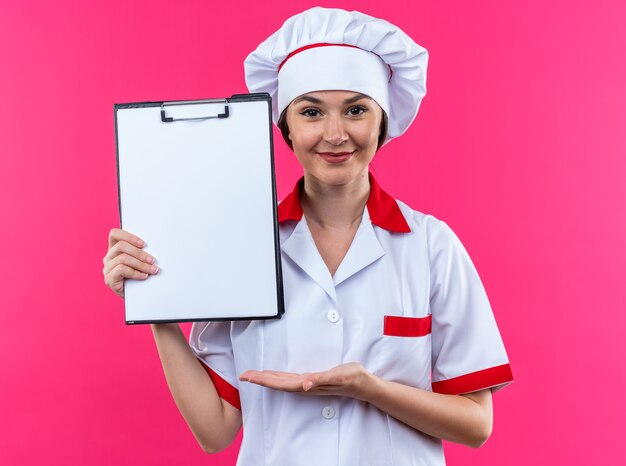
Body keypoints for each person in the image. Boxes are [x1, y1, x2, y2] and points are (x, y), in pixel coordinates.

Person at [103, 7, 513, 465]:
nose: (335, 134)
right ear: (286, 127)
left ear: (382, 122)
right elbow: (215, 429)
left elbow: (477, 424)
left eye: (356, 110)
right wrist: (155, 304)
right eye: (311, 112)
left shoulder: (431, 246)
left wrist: (369, 389)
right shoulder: (241, 245)